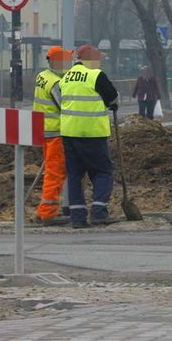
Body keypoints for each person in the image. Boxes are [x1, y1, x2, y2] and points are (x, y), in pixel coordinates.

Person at [59, 44, 121, 228]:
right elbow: (112, 98)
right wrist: (112, 104)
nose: (100, 62)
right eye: (98, 59)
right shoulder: (95, 75)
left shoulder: (66, 76)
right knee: (102, 172)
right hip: (92, 132)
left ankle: (77, 217)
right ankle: (98, 212)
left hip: (69, 133)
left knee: (75, 174)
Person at [32, 46, 73, 226]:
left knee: (51, 171)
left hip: (44, 131)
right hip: (56, 132)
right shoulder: (55, 83)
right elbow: (64, 105)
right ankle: (48, 213)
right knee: (55, 173)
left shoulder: (42, 77)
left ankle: (43, 210)